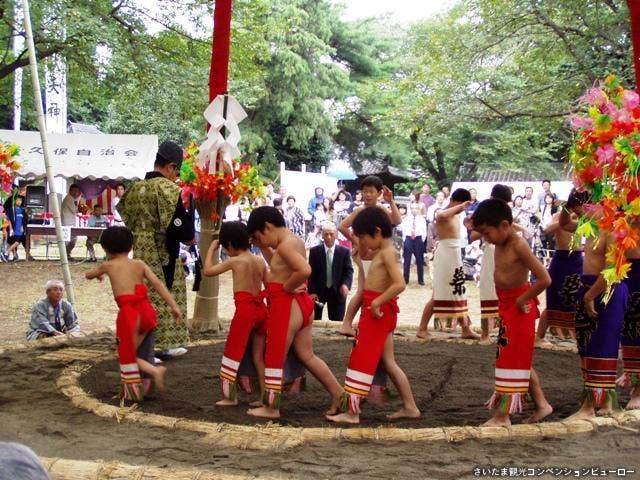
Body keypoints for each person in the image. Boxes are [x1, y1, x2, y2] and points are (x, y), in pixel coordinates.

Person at [246, 206, 342, 419]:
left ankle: (272, 407)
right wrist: (262, 246)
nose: (259, 240)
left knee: (274, 354)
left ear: (268, 227)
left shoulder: (285, 247)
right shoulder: (293, 241)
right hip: (301, 306)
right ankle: (338, 393)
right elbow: (280, 266)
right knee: (307, 355)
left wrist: (288, 287)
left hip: (287, 304)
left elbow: (304, 270)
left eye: (258, 236)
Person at [326, 207, 420, 424]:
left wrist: (377, 301)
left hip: (378, 313)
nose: (362, 242)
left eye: (363, 237)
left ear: (377, 232)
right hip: (380, 312)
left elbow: (400, 284)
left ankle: (352, 412)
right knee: (388, 362)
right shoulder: (381, 251)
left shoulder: (387, 253)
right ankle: (410, 406)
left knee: (361, 359)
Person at [472, 198, 552, 426]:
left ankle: (503, 415)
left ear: (505, 226)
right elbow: (478, 228)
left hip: (520, 307)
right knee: (519, 360)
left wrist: (522, 299)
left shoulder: (518, 244)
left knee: (510, 360)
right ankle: (542, 404)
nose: (485, 238)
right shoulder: (499, 241)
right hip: (508, 305)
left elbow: (545, 278)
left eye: (487, 233)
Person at [117, 140, 195, 359]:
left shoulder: (134, 188)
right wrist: (189, 237)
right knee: (164, 291)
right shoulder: (169, 189)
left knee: (143, 293)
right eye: (176, 171)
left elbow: (126, 216)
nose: (176, 176)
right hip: (163, 247)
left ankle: (143, 345)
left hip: (139, 248)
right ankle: (165, 344)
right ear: (169, 167)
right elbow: (180, 226)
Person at [85, 226, 182, 401]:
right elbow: (158, 284)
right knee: (139, 350)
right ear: (131, 246)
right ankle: (143, 384)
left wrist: (97, 274)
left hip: (130, 315)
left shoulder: (108, 265)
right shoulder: (139, 264)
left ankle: (152, 372)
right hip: (146, 310)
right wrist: (173, 305)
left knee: (125, 354)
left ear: (106, 249)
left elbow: (89, 274)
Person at [561, 192, 628, 421]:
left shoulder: (614, 229)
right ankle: (598, 401)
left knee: (603, 345)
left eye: (579, 209)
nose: (577, 215)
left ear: (591, 204)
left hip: (606, 290)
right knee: (585, 345)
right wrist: (566, 206)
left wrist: (590, 295)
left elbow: (613, 269)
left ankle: (596, 405)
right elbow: (563, 224)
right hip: (587, 287)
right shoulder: (588, 225)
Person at [202, 221, 269, 406]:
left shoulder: (235, 261)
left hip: (245, 311)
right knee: (258, 357)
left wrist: (211, 249)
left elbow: (208, 271)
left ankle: (230, 397)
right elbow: (269, 285)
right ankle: (265, 397)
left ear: (229, 245)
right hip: (262, 310)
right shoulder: (259, 260)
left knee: (232, 353)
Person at [337, 175, 402, 336]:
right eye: (365, 191)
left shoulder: (381, 209)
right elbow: (342, 226)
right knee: (364, 290)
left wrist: (391, 201)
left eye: (371, 191)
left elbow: (397, 220)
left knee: (373, 288)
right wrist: (357, 241)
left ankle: (363, 320)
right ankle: (347, 324)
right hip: (365, 254)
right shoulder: (360, 210)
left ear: (379, 193)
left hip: (378, 254)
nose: (367, 195)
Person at [430, 188, 478, 338]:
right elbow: (440, 215)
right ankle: (422, 328)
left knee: (459, 291)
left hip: (455, 253)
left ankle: (465, 328)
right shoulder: (444, 213)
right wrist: (461, 207)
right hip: (445, 254)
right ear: (457, 201)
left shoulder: (457, 215)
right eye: (464, 205)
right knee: (440, 294)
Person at [535, 210, 583, 345]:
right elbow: (547, 230)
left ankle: (575, 333)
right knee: (554, 300)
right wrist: (567, 219)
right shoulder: (560, 215)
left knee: (577, 299)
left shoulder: (585, 216)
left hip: (577, 259)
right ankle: (539, 336)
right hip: (562, 259)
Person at [308, 222, 353, 322]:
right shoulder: (315, 252)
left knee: (337, 320)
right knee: (314, 320)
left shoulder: (344, 252)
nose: (328, 237)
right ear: (322, 236)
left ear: (336, 235)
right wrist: (312, 291)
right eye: (326, 234)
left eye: (331, 234)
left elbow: (348, 271)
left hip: (337, 291)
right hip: (319, 292)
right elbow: (311, 273)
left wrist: (346, 285)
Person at [618, 229, 640, 409]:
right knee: (628, 328)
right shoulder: (623, 217)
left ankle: (639, 390)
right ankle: (631, 374)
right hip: (625, 271)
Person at [400, 203, 427, 285]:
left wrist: (421, 240)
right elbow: (403, 230)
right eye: (412, 208)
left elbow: (424, 231)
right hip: (408, 239)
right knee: (407, 261)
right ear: (410, 209)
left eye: (416, 208)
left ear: (418, 209)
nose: (414, 210)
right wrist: (405, 240)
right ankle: (405, 279)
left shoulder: (422, 219)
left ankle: (421, 279)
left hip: (418, 239)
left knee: (420, 260)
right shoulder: (406, 219)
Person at [61, 184, 86, 257]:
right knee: (67, 240)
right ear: (70, 191)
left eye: (77, 191)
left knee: (74, 239)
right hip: (66, 222)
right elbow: (74, 210)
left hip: (72, 221)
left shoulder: (73, 198)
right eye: (74, 191)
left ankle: (67, 254)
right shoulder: (68, 198)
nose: (76, 193)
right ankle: (65, 255)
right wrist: (81, 207)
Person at [6, 195, 27, 262]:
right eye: (18, 200)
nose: (19, 202)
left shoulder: (22, 210)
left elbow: (25, 220)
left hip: (20, 230)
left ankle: (7, 252)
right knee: (12, 241)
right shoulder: (11, 210)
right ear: (14, 201)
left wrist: (23, 227)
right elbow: (9, 219)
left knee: (18, 241)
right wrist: (11, 229)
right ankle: (14, 255)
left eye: (20, 200)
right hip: (13, 229)